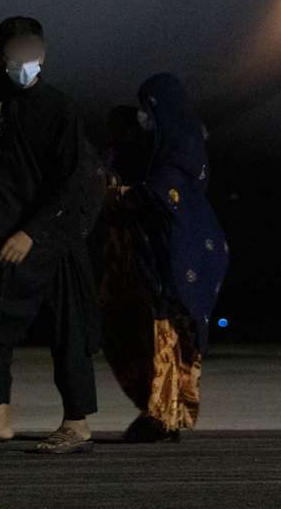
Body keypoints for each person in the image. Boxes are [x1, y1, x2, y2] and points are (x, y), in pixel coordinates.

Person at [0, 16, 101, 456]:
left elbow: (75, 180)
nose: (25, 61)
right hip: (5, 235)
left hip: (51, 236)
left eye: (32, 52)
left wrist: (32, 232)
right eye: (15, 52)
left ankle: (77, 423)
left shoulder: (60, 108)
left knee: (68, 331)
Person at [97, 72, 228, 442]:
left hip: (171, 265)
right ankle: (158, 413)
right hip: (150, 264)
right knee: (138, 337)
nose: (144, 119)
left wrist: (115, 194)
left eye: (148, 109)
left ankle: (164, 414)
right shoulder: (154, 150)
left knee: (166, 339)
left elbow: (156, 195)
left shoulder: (179, 152)